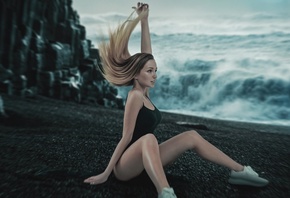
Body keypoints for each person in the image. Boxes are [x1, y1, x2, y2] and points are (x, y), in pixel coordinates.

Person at [84, 3, 269, 198]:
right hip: (126, 166)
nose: (154, 75)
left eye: (156, 70)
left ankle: (239, 171)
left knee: (191, 135)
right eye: (150, 71)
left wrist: (145, 21)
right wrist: (106, 173)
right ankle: (165, 191)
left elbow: (146, 55)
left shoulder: (145, 92)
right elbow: (126, 137)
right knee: (149, 138)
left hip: (148, 157)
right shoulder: (135, 96)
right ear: (137, 75)